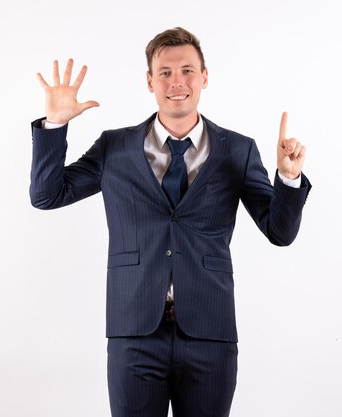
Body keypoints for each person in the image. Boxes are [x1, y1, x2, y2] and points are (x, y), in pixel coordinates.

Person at [30, 27, 311, 417]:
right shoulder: (115, 147)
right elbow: (47, 195)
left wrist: (288, 179)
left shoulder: (238, 150)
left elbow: (280, 232)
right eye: (164, 72)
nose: (176, 82)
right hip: (134, 332)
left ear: (205, 77)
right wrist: (55, 125)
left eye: (187, 71)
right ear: (149, 81)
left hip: (210, 334)